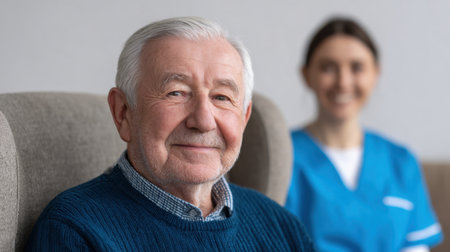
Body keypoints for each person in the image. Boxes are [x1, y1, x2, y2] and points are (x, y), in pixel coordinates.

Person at [25, 17, 314, 251]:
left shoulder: (281, 226)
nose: (203, 121)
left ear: (244, 118)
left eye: (222, 97)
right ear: (123, 112)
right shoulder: (75, 231)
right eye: (176, 93)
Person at [285, 17, 443, 252]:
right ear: (307, 75)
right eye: (328, 68)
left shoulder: (401, 162)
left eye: (357, 67)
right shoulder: (282, 159)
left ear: (375, 74)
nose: (343, 82)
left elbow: (415, 247)